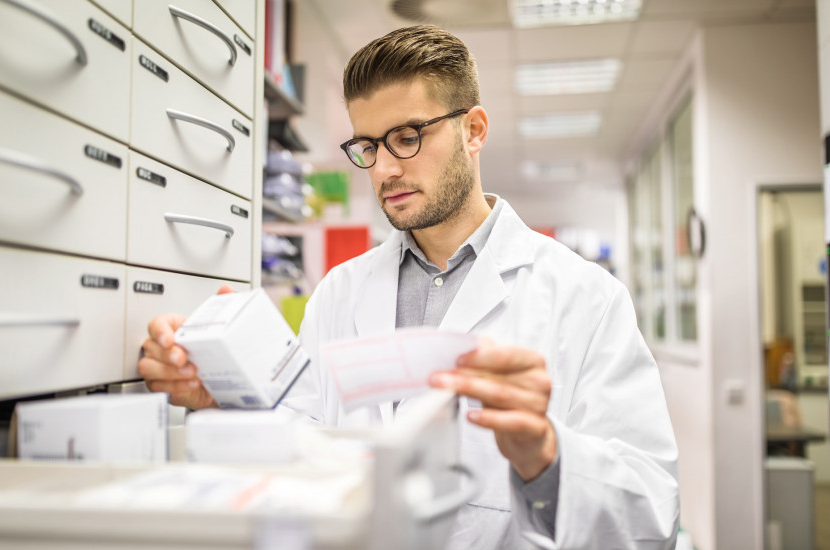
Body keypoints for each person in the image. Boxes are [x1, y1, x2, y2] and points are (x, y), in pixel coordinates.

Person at [139, 24, 680, 549]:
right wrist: (220, 398)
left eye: (407, 137)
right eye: (368, 146)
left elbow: (651, 511)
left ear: (473, 130)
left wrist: (547, 455)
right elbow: (303, 439)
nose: (383, 171)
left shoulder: (584, 295)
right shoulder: (340, 292)